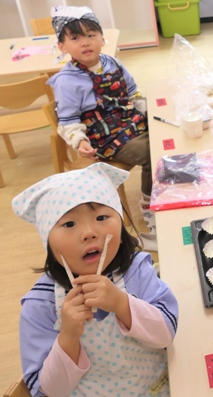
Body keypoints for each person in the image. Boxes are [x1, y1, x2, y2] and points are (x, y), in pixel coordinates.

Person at [12, 162, 178, 397]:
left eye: (101, 217)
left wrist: (122, 304)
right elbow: (50, 390)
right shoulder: (40, 304)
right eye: (69, 224)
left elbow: (166, 335)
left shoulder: (136, 270)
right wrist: (68, 335)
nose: (89, 232)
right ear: (48, 240)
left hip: (156, 392)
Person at [47, 6, 156, 249]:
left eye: (91, 35)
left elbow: (132, 93)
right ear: (62, 46)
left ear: (102, 38)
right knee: (153, 152)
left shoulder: (113, 63)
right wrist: (79, 141)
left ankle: (167, 190)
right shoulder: (66, 81)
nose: (85, 42)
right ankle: (150, 204)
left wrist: (149, 113)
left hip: (129, 120)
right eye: (75, 38)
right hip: (103, 136)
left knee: (165, 136)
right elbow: (67, 120)